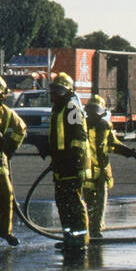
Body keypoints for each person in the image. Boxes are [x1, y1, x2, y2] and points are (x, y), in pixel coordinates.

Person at [46, 72, 91, 251]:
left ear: (67, 92)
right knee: (62, 202)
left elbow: (79, 138)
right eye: (53, 90)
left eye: (58, 90)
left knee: (73, 202)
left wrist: (72, 160)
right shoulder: (58, 109)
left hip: (72, 166)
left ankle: (80, 240)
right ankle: (69, 237)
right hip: (61, 166)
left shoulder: (72, 108)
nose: (54, 94)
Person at [83, 94, 134, 238]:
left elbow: (113, 144)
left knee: (100, 201)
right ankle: (90, 226)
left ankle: (96, 229)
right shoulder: (82, 126)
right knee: (89, 202)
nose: (93, 115)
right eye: (91, 111)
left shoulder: (105, 126)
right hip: (87, 170)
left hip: (102, 170)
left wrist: (126, 151)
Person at [0, 74, 26, 246]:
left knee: (5, 198)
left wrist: (11, 146)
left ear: (1, 95)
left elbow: (21, 129)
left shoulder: (7, 114)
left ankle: (4, 232)